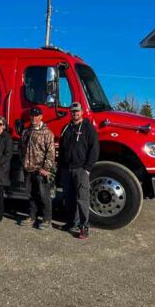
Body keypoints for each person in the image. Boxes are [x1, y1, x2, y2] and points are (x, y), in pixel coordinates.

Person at [59, 102, 99, 239]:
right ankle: (72, 223)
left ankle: (84, 226)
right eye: (73, 111)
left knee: (82, 199)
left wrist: (87, 168)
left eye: (77, 111)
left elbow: (94, 149)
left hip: (81, 169)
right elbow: (62, 148)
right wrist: (61, 168)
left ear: (82, 112)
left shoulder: (88, 128)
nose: (75, 114)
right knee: (69, 198)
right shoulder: (66, 128)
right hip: (66, 169)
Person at [19, 107, 56, 230]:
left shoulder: (47, 133)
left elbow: (51, 153)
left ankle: (47, 220)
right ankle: (31, 216)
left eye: (36, 116)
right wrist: (23, 162)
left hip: (40, 170)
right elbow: (21, 148)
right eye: (32, 116)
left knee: (44, 195)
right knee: (30, 194)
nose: (34, 118)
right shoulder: (26, 131)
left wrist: (46, 168)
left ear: (41, 117)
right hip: (28, 168)